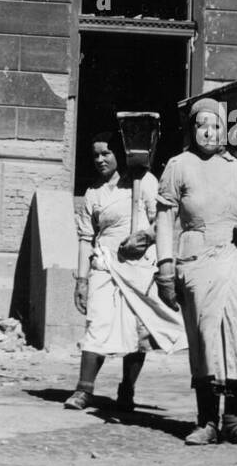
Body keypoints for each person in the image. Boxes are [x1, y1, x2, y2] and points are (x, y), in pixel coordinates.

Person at [155, 97, 237, 445]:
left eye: (216, 125)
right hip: (199, 260)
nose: (209, 132)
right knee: (207, 340)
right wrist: (165, 269)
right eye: (201, 125)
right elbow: (164, 220)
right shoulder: (179, 166)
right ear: (192, 129)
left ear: (225, 129)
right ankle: (207, 421)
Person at [65, 130, 185, 413]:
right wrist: (81, 279)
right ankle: (84, 390)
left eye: (106, 153)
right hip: (105, 264)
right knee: (98, 321)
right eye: (95, 155)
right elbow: (85, 238)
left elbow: (163, 222)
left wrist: (143, 238)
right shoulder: (93, 194)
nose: (100, 159)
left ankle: (127, 389)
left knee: (136, 331)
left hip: (139, 265)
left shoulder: (143, 183)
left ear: (120, 154)